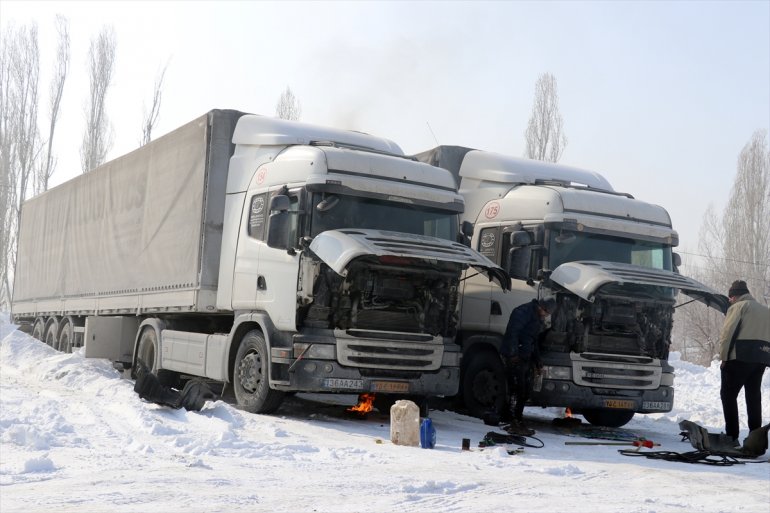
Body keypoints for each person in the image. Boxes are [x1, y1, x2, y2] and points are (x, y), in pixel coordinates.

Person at [717, 280, 770, 446]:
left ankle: (732, 438)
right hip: (761, 359)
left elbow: (727, 333)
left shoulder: (738, 307)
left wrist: (724, 358)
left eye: (730, 297)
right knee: (753, 397)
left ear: (734, 296)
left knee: (728, 395)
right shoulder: (765, 311)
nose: (730, 300)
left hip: (738, 358)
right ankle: (756, 439)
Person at [501, 297, 557, 426]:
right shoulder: (523, 312)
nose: (546, 316)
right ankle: (510, 417)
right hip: (515, 356)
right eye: (546, 312)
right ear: (541, 307)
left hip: (524, 356)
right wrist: (513, 353)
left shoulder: (537, 317)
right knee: (515, 388)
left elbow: (533, 340)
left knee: (524, 390)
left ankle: (516, 418)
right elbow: (512, 333)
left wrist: (537, 360)